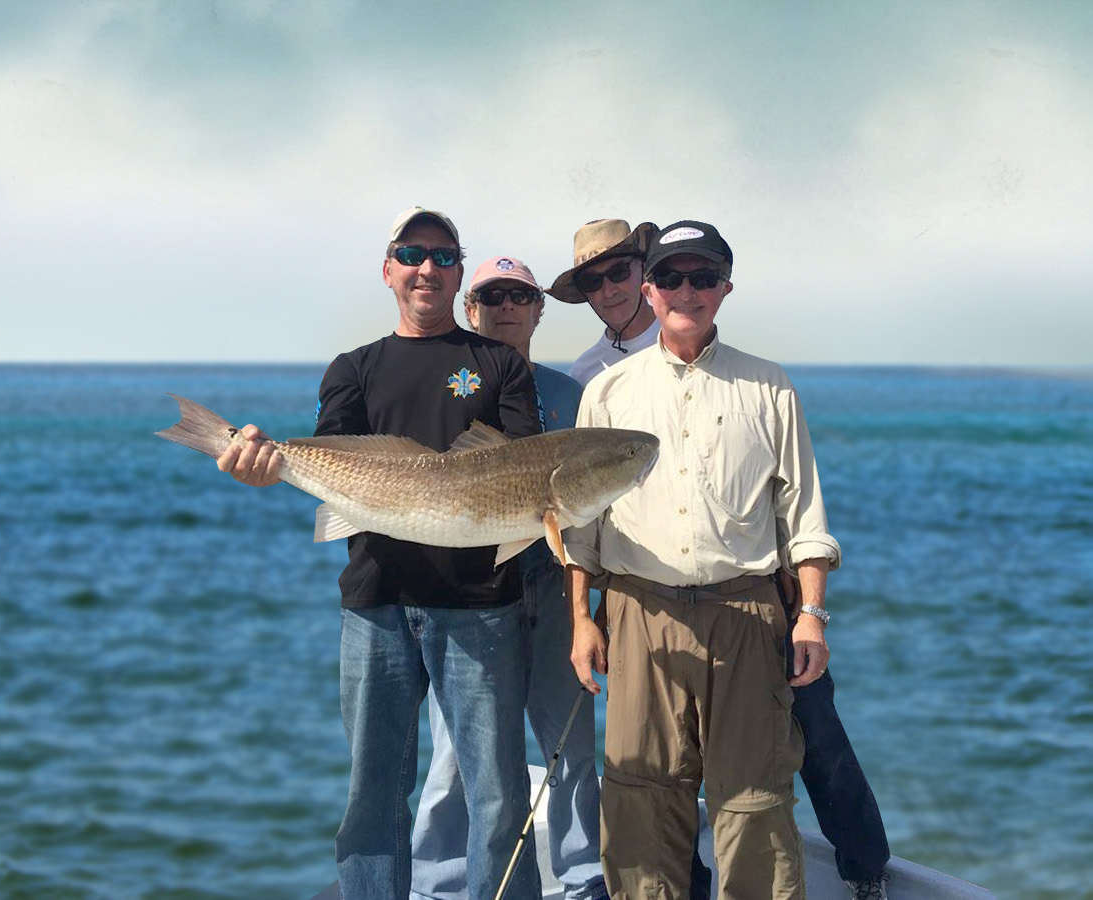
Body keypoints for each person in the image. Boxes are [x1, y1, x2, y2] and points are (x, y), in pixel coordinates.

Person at [551, 219, 894, 900]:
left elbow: (803, 514)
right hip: (639, 613)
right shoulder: (605, 393)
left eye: (703, 277)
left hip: (746, 613)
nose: (687, 291)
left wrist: (812, 615)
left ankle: (858, 867)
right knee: (640, 798)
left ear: (725, 289)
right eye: (671, 277)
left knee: (754, 800)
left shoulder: (770, 386)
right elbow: (579, 525)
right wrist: (582, 620)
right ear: (651, 291)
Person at [218, 207, 544, 900]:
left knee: (497, 795)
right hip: (377, 605)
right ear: (389, 270)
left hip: (482, 609)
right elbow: (327, 458)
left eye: (444, 256)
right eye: (413, 254)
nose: (428, 268)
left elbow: (525, 466)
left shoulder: (498, 364)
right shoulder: (355, 368)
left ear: (458, 272)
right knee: (373, 791)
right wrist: (265, 467)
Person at [409, 256, 605, 900]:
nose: (507, 306)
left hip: (554, 584)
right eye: (492, 295)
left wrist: (588, 605)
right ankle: (437, 884)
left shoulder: (572, 394)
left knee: (570, 745)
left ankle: (584, 877)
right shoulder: (449, 384)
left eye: (520, 295)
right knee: (454, 754)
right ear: (471, 309)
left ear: (540, 309)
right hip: (466, 595)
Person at [544, 219, 659, 385]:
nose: (608, 291)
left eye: (618, 272)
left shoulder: (687, 340)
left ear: (644, 268)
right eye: (592, 281)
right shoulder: (583, 372)